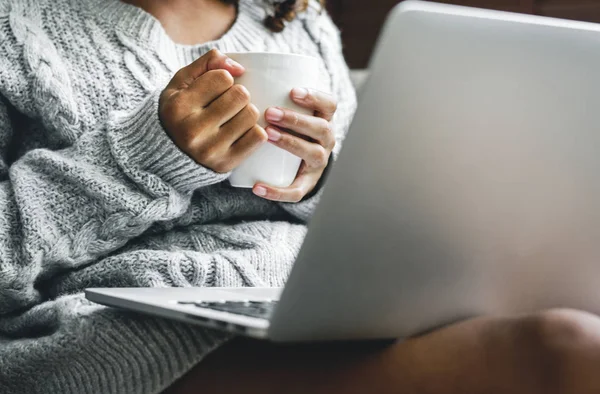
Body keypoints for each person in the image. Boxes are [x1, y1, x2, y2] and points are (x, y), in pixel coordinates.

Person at [0, 0, 600, 393]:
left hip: (313, 309)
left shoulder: (299, 20)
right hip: (127, 333)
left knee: (570, 332)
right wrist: (140, 157)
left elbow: (374, 211)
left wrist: (321, 177)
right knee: (564, 348)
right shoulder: (17, 27)